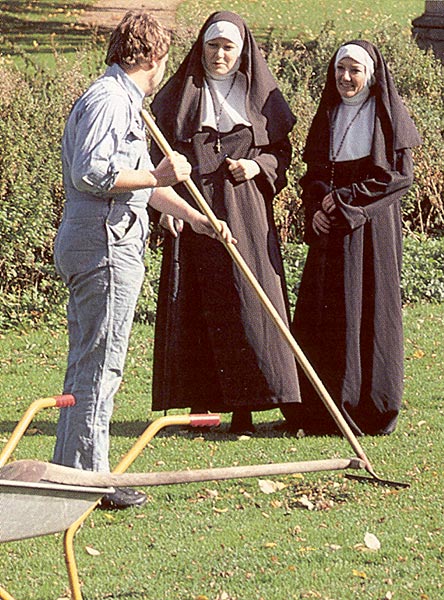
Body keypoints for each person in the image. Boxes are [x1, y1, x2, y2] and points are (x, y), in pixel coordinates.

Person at [52, 10, 235, 510]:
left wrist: (195, 217)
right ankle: (91, 481)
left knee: (89, 363)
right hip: (104, 246)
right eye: (165, 59)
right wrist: (159, 175)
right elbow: (93, 173)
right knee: (101, 365)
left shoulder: (125, 100)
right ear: (154, 57)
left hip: (103, 240)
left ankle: (70, 471)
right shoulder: (110, 101)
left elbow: (138, 186)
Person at [149, 11, 301, 434]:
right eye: (212, 45)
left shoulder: (260, 99)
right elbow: (156, 157)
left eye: (228, 47)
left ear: (242, 51)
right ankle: (201, 406)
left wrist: (257, 167)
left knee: (247, 302)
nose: (219, 54)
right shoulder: (179, 97)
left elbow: (281, 153)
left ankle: (247, 408)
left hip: (245, 212)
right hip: (194, 211)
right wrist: (165, 209)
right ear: (201, 48)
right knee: (197, 303)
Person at [290, 40, 421, 436]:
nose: (345, 78)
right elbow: (314, 173)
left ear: (371, 75)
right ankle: (321, 408)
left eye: (354, 70)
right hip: (330, 229)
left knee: (365, 309)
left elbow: (397, 178)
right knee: (325, 312)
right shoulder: (329, 114)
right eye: (340, 69)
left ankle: (366, 407)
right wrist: (316, 208)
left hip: (370, 229)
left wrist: (346, 199)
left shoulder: (386, 119)